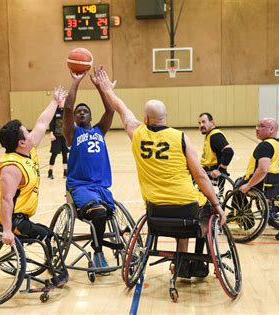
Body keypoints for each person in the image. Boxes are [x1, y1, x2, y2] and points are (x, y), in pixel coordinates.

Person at [92, 68, 226, 278]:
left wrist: (107, 89)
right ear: (165, 117)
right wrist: (217, 205)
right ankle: (192, 264)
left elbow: (122, 110)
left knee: (184, 213)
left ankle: (182, 264)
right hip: (186, 207)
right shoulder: (180, 137)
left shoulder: (137, 133)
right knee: (206, 210)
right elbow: (200, 176)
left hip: (155, 210)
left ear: (145, 118)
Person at [0, 86, 69, 285]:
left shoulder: (28, 150)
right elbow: (5, 199)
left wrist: (55, 101)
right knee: (49, 235)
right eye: (27, 132)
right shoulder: (11, 167)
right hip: (9, 218)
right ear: (21, 142)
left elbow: (42, 122)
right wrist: (6, 230)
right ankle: (57, 274)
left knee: (47, 233)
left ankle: (50, 263)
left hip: (20, 215)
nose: (32, 133)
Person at [63, 67, 115, 270]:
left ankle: (108, 246)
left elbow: (110, 110)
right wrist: (76, 81)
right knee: (100, 213)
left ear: (91, 116)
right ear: (75, 118)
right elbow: (67, 108)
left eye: (85, 111)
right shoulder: (71, 134)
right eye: (78, 112)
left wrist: (100, 87)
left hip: (101, 187)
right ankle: (98, 251)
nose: (81, 113)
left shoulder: (99, 130)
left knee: (106, 212)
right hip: (81, 187)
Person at [238, 117, 279, 194]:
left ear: (271, 129)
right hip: (278, 184)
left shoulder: (265, 145)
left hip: (260, 184)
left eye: (261, 126)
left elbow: (263, 170)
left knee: (238, 186)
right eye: (257, 126)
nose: (257, 129)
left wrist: (248, 185)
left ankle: (239, 206)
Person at [198, 112, 234, 178]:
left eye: (204, 122)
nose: (201, 125)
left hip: (211, 172)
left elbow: (229, 151)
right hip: (206, 169)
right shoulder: (209, 135)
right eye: (199, 123)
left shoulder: (215, 136)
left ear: (212, 122)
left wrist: (221, 169)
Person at [47, 100, 69, 179]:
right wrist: (51, 133)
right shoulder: (55, 111)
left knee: (65, 154)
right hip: (56, 136)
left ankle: (65, 172)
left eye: (63, 101)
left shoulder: (67, 111)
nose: (61, 102)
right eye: (60, 101)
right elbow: (52, 123)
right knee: (54, 153)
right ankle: (50, 171)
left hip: (65, 136)